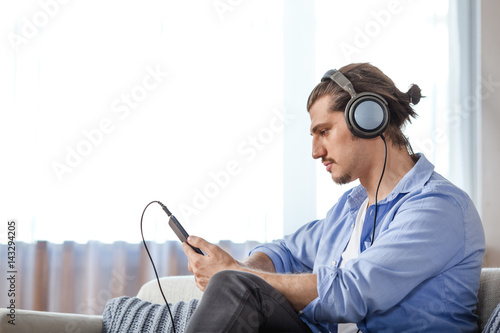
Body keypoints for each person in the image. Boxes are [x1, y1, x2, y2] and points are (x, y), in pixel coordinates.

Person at [178, 63, 486, 332]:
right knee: (234, 284)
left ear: (367, 117)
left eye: (323, 131)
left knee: (233, 281)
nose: (315, 152)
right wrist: (243, 269)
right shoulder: (349, 209)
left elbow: (351, 293)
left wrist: (235, 273)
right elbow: (284, 252)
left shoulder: (438, 207)